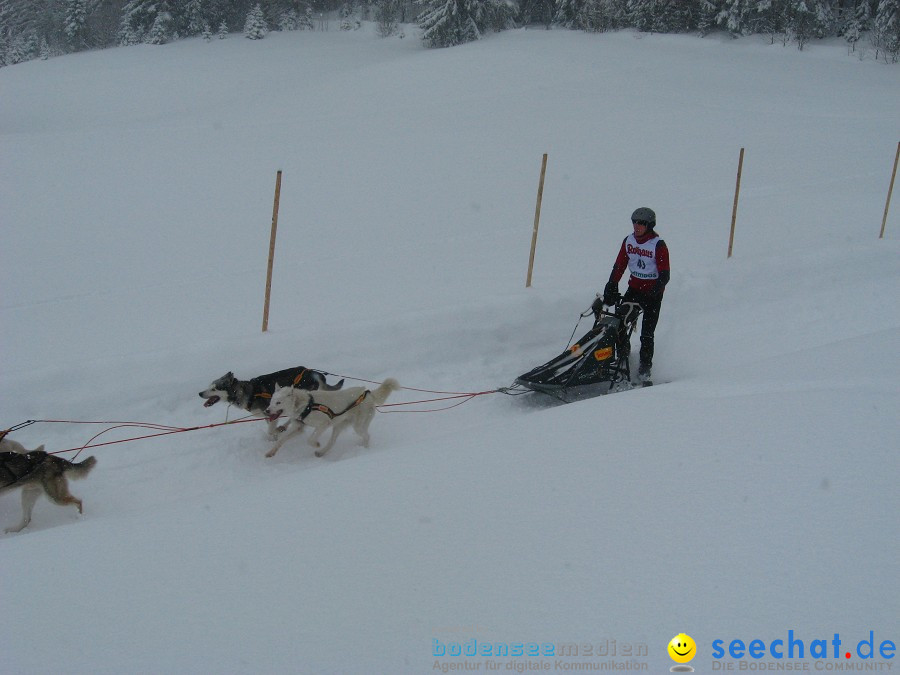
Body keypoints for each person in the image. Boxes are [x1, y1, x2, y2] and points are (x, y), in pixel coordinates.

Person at [592, 207, 670, 382]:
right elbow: (619, 265)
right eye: (634, 222)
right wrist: (612, 284)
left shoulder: (658, 245)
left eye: (641, 223)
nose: (636, 226)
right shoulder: (629, 241)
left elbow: (665, 275)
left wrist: (655, 290)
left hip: (653, 294)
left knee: (647, 333)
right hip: (634, 289)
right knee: (618, 323)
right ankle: (622, 357)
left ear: (649, 225)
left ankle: (644, 369)